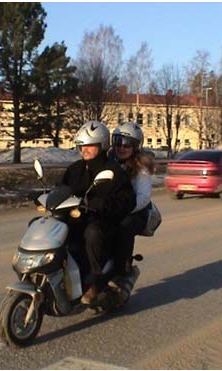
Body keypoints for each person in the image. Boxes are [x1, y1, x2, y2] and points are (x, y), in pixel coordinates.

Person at [60, 120, 136, 304]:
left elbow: (126, 201)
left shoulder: (113, 171)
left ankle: (95, 280)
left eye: (89, 146)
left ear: (101, 145)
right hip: (76, 216)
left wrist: (101, 204)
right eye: (81, 146)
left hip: (102, 220)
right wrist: (45, 195)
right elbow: (61, 188)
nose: (84, 150)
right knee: (47, 226)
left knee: (92, 233)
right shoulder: (75, 169)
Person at [109, 121, 154, 281]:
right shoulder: (108, 160)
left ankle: (122, 270)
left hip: (135, 210)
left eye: (127, 144)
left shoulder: (140, 167)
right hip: (113, 206)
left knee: (124, 226)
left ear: (135, 147)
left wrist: (124, 209)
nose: (122, 147)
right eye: (118, 142)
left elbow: (143, 197)